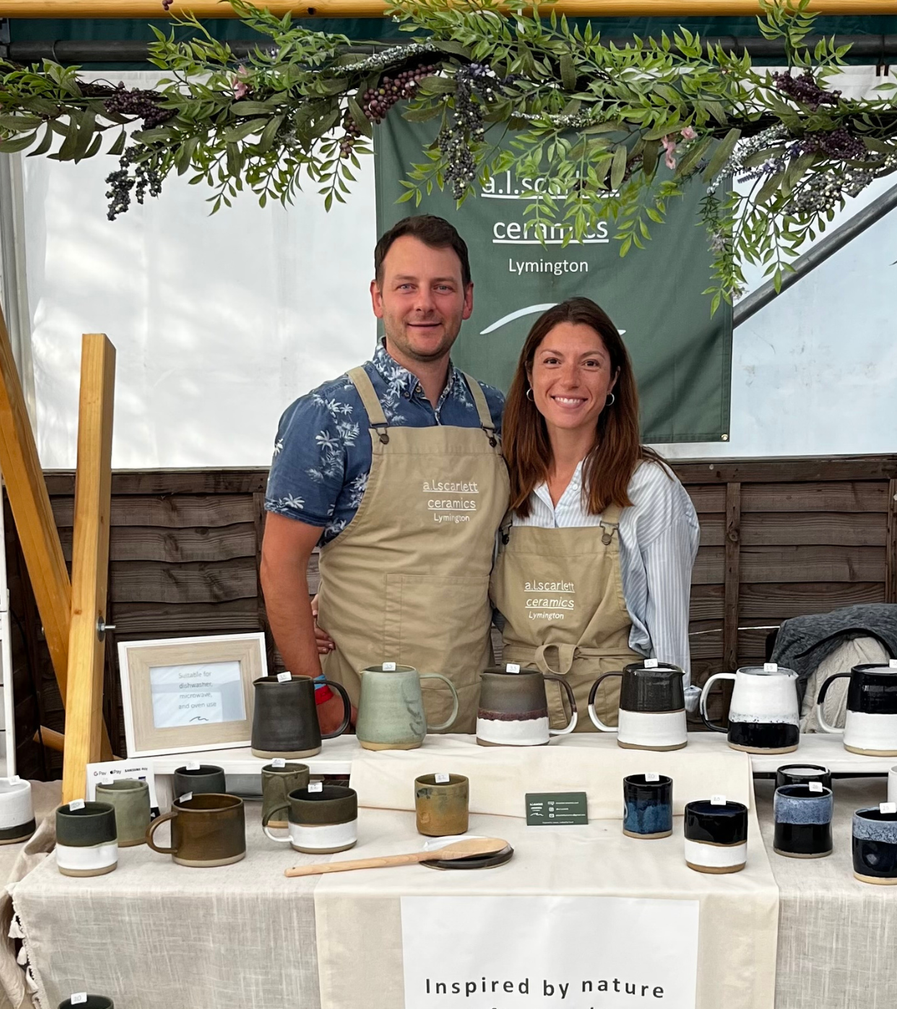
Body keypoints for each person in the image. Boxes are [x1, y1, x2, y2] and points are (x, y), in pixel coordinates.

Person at [260, 216, 508, 734]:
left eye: (442, 287)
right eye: (406, 287)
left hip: (473, 707)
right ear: (377, 298)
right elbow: (280, 566)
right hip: (361, 711)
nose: (425, 304)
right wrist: (317, 692)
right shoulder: (328, 415)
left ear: (467, 299)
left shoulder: (497, 417)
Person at [491, 297, 699, 728]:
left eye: (590, 364)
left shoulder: (647, 485)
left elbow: (669, 627)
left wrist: (667, 723)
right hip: (514, 712)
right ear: (529, 374)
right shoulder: (500, 481)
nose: (569, 379)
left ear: (613, 380)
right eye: (552, 361)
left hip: (616, 715)